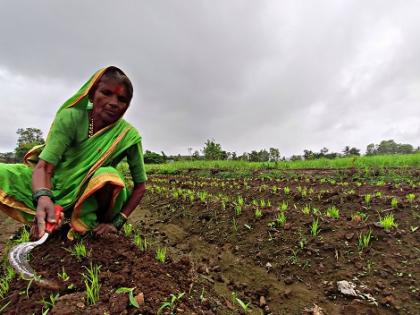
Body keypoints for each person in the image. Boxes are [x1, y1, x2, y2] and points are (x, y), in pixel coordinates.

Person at [0, 66, 147, 239]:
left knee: (108, 176)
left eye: (122, 99)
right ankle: (45, 218)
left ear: (127, 106)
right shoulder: (71, 118)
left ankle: (86, 227)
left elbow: (140, 186)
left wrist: (117, 222)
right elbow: (45, 166)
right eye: (106, 93)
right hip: (53, 184)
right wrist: (43, 197)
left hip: (89, 197)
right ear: (92, 94)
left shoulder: (128, 136)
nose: (114, 102)